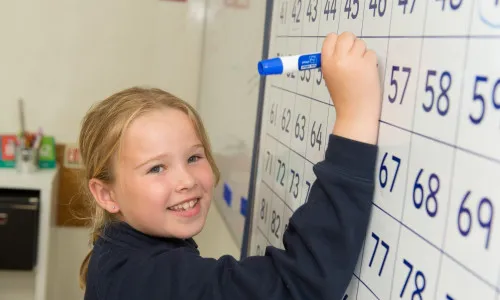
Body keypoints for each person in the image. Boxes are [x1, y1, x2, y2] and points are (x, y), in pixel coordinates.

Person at [79, 31, 382, 300]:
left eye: (194, 157)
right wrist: (355, 115)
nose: (186, 180)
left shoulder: (120, 254)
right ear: (107, 195)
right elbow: (297, 286)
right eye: (156, 168)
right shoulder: (145, 279)